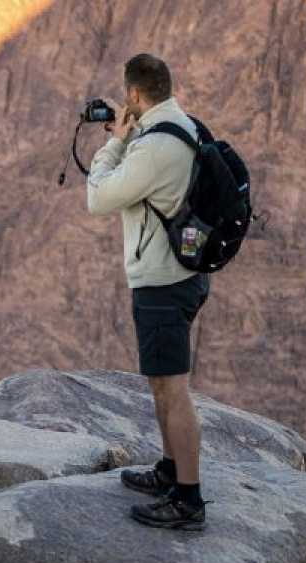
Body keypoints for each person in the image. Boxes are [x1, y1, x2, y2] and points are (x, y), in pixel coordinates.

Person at [87, 54, 210, 530]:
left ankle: (189, 499)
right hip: (182, 272)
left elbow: (99, 198)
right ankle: (169, 470)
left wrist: (114, 144)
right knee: (161, 383)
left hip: (162, 281)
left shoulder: (154, 147)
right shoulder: (183, 124)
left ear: (135, 95)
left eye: (126, 98)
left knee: (173, 390)